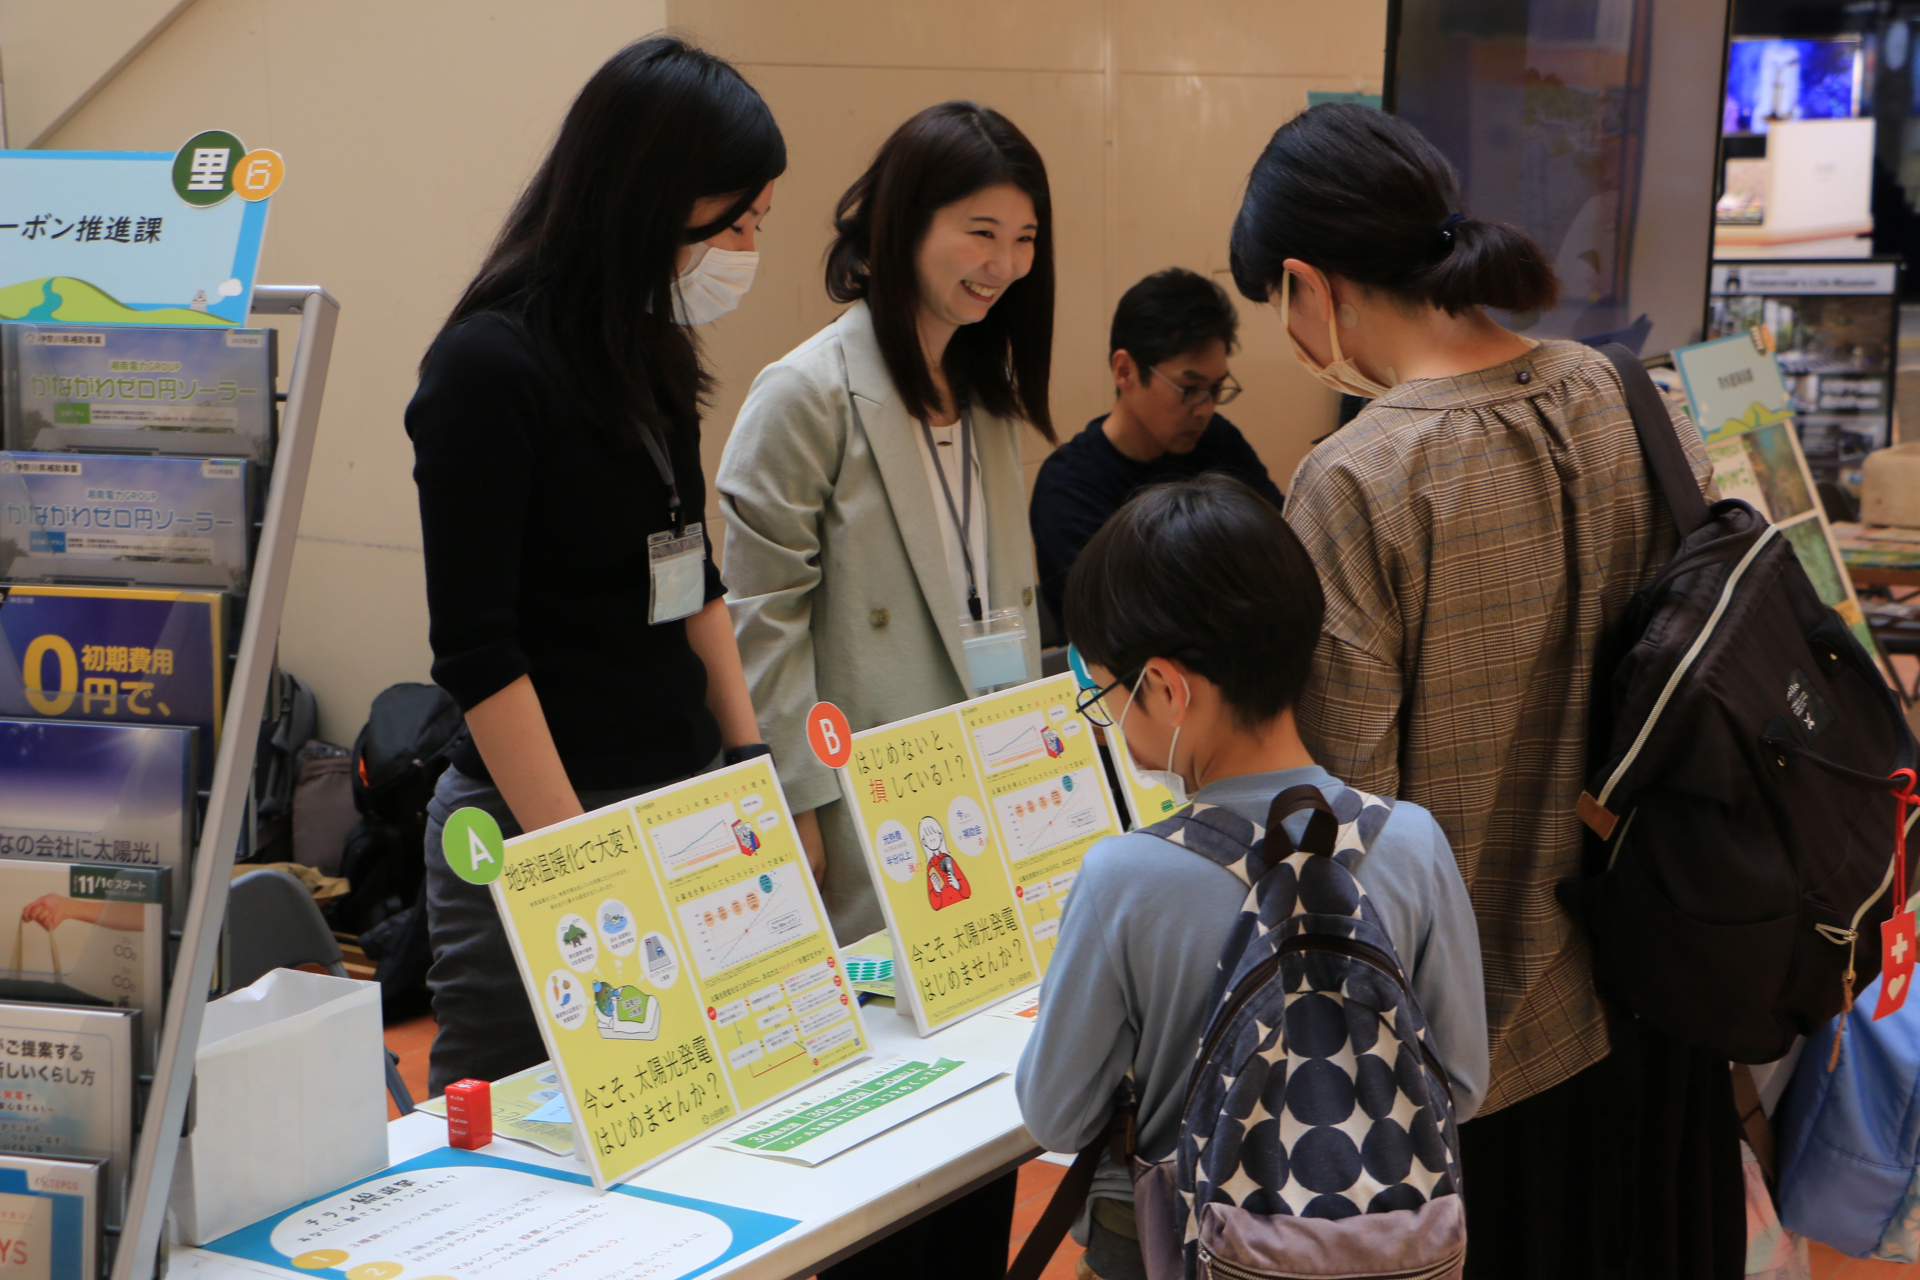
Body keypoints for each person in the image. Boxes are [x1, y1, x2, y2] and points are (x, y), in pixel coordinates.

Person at [1229, 102, 1732, 1277]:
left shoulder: (1357, 478)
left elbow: (1338, 822)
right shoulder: (1632, 396)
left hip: (1477, 1069)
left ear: (1312, 282)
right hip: (1665, 1003)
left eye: (1280, 304)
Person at [406, 37, 783, 1095]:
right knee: (523, 1128)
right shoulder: (487, 368)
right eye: (737, 219)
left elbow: (692, 570)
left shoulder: (647, 346)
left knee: (678, 1121)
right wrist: (581, 862)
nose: (751, 244)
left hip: (675, 798)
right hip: (535, 826)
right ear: (650, 196)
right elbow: (480, 655)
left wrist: (747, 760)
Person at [717, 99, 1054, 1280]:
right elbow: (761, 626)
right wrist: (800, 806)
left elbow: (1010, 611)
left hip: (984, 811)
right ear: (905, 221)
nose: (1004, 265)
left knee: (980, 1136)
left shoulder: (997, 400)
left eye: (1023, 239)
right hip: (858, 819)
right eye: (979, 232)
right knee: (880, 1161)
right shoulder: (806, 391)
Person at [1016, 475, 1487, 1280]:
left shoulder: (1123, 878)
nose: (1112, 719)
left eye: (1106, 693)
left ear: (1165, 686)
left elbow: (1056, 1113)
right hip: (1395, 1248)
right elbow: (1464, 1084)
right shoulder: (1412, 842)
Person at [1029, 267, 1282, 623]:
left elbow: (1281, 543)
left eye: (1215, 389)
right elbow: (1117, 622)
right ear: (1125, 371)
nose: (1205, 409)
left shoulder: (1217, 441)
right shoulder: (1069, 486)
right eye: (1190, 388)